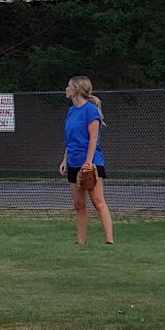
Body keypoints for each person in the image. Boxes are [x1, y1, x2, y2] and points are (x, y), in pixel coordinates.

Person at [59, 76, 113, 245]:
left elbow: (93, 137)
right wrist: (65, 160)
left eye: (68, 86)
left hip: (91, 162)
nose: (66, 89)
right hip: (74, 160)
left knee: (98, 201)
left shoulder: (90, 110)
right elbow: (70, 139)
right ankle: (80, 241)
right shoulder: (71, 111)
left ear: (76, 89)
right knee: (78, 204)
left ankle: (109, 240)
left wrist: (88, 162)